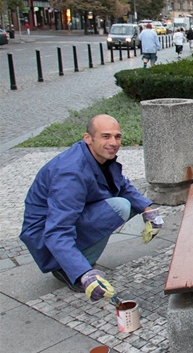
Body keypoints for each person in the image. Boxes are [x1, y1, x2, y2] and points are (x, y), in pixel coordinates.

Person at [19, 114, 162, 302]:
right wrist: (83, 273)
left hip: (66, 219)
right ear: (88, 138)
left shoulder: (99, 156)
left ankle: (76, 262)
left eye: (117, 136)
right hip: (44, 236)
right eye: (106, 136)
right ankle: (69, 269)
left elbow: (121, 184)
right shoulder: (70, 174)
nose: (113, 142)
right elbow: (56, 231)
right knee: (119, 207)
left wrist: (148, 210)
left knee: (129, 204)